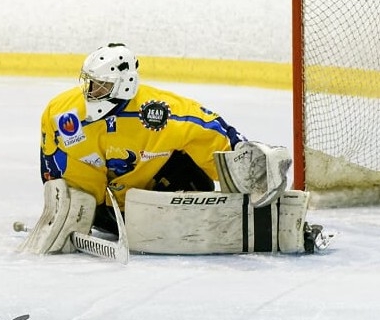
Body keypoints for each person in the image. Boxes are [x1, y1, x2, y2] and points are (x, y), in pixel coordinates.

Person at [20, 43, 331, 257]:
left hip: (155, 194)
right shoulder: (62, 113)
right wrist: (58, 199)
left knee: (189, 165)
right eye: (89, 83)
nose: (90, 92)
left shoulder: (160, 113)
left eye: (100, 86)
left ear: (124, 85)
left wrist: (245, 161)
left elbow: (209, 130)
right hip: (101, 213)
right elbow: (50, 162)